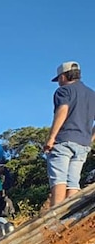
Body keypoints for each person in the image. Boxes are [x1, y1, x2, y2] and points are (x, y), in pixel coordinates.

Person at [44, 61, 95, 209]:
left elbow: (63, 110)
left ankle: (55, 214)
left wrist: (51, 138)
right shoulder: (92, 95)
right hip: (83, 143)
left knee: (58, 179)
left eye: (59, 79)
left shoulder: (64, 91)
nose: (59, 82)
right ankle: (71, 213)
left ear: (63, 76)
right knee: (73, 181)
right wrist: (90, 139)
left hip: (64, 140)